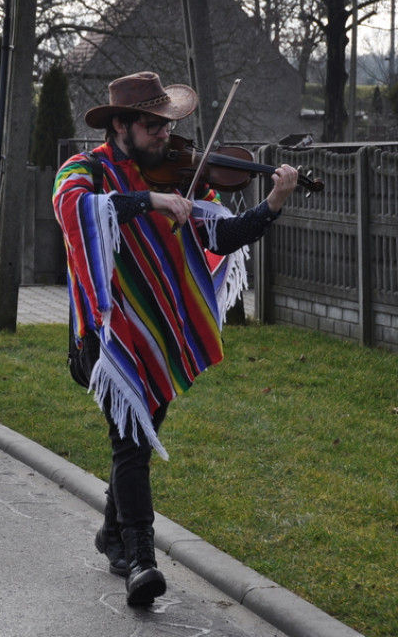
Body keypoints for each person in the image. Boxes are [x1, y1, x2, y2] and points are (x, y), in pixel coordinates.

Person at [52, 72, 299, 606]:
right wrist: (149, 201)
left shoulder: (180, 176)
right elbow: (73, 212)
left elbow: (220, 232)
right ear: (121, 124)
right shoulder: (85, 171)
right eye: (153, 124)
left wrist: (273, 203)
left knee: (139, 438)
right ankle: (141, 560)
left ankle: (112, 533)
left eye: (168, 125)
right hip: (108, 335)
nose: (166, 135)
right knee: (133, 442)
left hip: (161, 333)